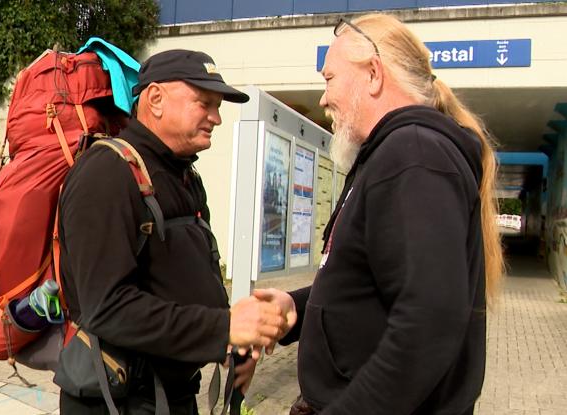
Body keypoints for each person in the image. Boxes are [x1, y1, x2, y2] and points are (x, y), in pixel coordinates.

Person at [254, 13, 504, 415]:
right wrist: (298, 307)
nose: (323, 98)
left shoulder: (414, 155)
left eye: (329, 78)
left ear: (373, 73)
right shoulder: (396, 153)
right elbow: (373, 282)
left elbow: (429, 322)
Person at [56, 49, 289, 414]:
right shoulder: (107, 172)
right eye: (204, 103)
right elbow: (107, 307)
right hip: (120, 401)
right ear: (156, 99)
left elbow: (183, 277)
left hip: (174, 394)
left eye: (218, 106)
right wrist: (221, 328)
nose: (216, 118)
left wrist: (229, 344)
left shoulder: (184, 176)